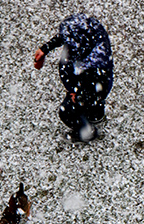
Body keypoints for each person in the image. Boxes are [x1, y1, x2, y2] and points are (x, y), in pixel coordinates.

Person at [34, 13, 114, 142]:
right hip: (91, 83)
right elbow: (66, 37)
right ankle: (96, 115)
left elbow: (92, 81)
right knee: (93, 105)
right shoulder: (90, 36)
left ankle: (88, 132)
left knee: (67, 112)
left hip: (91, 86)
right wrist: (46, 48)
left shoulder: (94, 64)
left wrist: (77, 93)